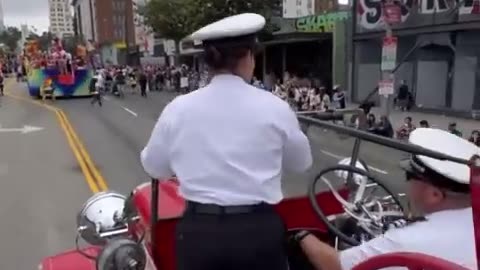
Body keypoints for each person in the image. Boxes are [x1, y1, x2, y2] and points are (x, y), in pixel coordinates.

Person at [140, 13, 312, 270]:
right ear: (249, 57)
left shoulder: (179, 108)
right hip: (257, 231)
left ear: (209, 61)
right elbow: (301, 163)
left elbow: (154, 167)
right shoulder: (275, 107)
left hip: (199, 233)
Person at [294, 128, 478, 270]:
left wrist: (302, 236)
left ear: (434, 195)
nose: (408, 185)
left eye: (409, 177)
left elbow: (336, 265)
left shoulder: (407, 241)